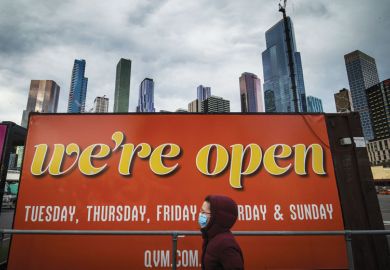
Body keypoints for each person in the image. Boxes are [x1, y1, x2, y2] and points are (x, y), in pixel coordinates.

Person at [198, 195, 244, 270]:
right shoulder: (211, 238)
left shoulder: (225, 245)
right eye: (200, 211)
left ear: (217, 216)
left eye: (203, 212)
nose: (200, 215)